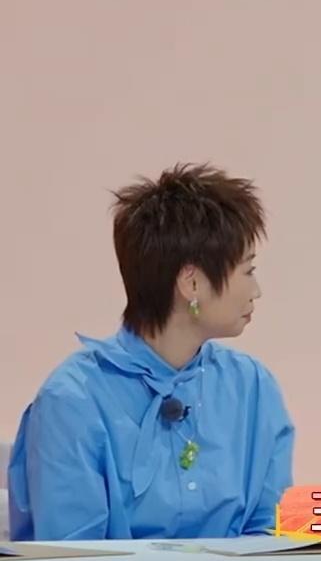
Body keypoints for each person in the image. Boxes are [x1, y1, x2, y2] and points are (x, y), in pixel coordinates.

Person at [7, 164, 295, 540]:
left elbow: (271, 533)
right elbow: (73, 558)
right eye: (247, 271)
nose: (256, 291)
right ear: (192, 283)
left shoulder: (253, 387)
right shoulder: (72, 402)